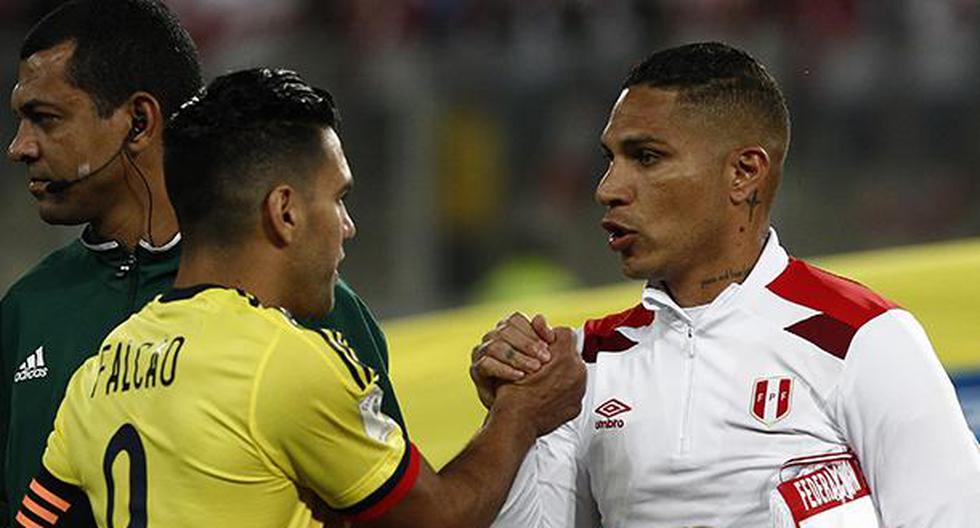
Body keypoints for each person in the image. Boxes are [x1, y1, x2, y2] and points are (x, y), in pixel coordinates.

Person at [12, 67, 586, 528]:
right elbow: (439, 516)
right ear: (284, 211)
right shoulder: (282, 361)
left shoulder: (99, 369)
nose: (347, 225)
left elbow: (35, 517)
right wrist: (520, 414)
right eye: (337, 199)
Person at [472, 42, 980, 527]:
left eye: (646, 157)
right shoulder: (584, 362)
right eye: (610, 159)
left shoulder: (862, 338)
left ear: (743, 173)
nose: (607, 188)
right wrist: (514, 419)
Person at [1, 1, 404, 524]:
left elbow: (395, 510)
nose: (19, 148)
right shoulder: (25, 311)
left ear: (139, 122)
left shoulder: (311, 301)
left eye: (45, 118)